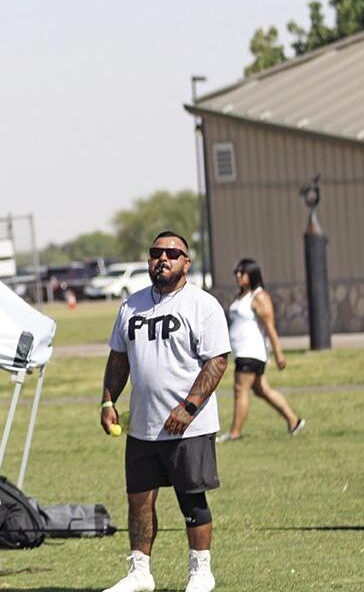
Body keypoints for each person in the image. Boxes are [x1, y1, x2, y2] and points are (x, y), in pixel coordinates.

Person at [99, 232, 229, 592]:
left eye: (172, 253)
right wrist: (108, 401)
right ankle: (140, 572)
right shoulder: (131, 306)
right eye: (156, 252)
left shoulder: (203, 305)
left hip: (188, 426)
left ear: (186, 261)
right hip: (142, 425)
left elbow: (217, 361)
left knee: (191, 497)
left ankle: (201, 571)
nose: (163, 258)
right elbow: (118, 358)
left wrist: (189, 408)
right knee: (138, 500)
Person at [218, 258, 305, 442]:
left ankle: (234, 433)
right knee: (261, 390)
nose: (238, 276)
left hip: (251, 352)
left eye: (242, 272)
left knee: (240, 389)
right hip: (242, 352)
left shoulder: (259, 297)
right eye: (236, 272)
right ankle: (294, 420)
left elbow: (270, 327)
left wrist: (279, 353)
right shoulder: (242, 296)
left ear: (252, 274)